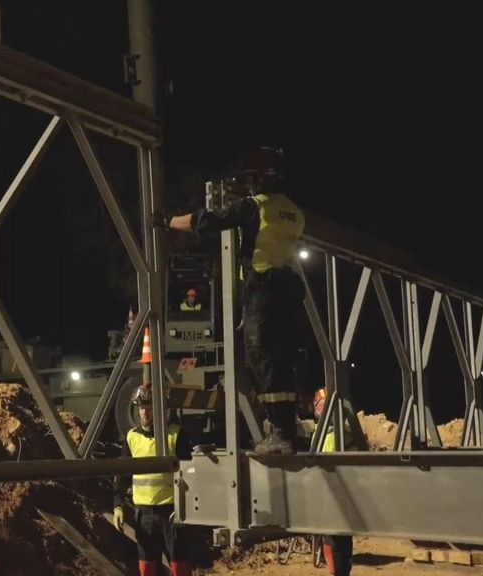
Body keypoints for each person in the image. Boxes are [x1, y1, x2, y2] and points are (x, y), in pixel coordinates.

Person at [159, 146, 306, 454]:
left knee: (261, 354)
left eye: (253, 178)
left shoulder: (256, 207)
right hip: (290, 287)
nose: (249, 183)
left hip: (263, 285)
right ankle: (287, 428)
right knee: (282, 357)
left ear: (263, 179)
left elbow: (208, 221)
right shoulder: (294, 211)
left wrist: (168, 221)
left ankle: (280, 431)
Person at [112, 383, 195, 576]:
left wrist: (187, 509)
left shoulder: (176, 434)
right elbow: (122, 474)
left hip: (172, 513)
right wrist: (117, 505)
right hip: (143, 514)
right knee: (147, 567)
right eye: (142, 408)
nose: (145, 413)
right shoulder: (132, 437)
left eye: (149, 408)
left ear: (160, 409)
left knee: (179, 565)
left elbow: (190, 474)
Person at [312, 388, 353, 575]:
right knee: (333, 538)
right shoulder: (320, 433)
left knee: (338, 539)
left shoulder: (342, 433)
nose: (322, 411)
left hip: (338, 494)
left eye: (325, 407)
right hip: (327, 493)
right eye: (320, 407)